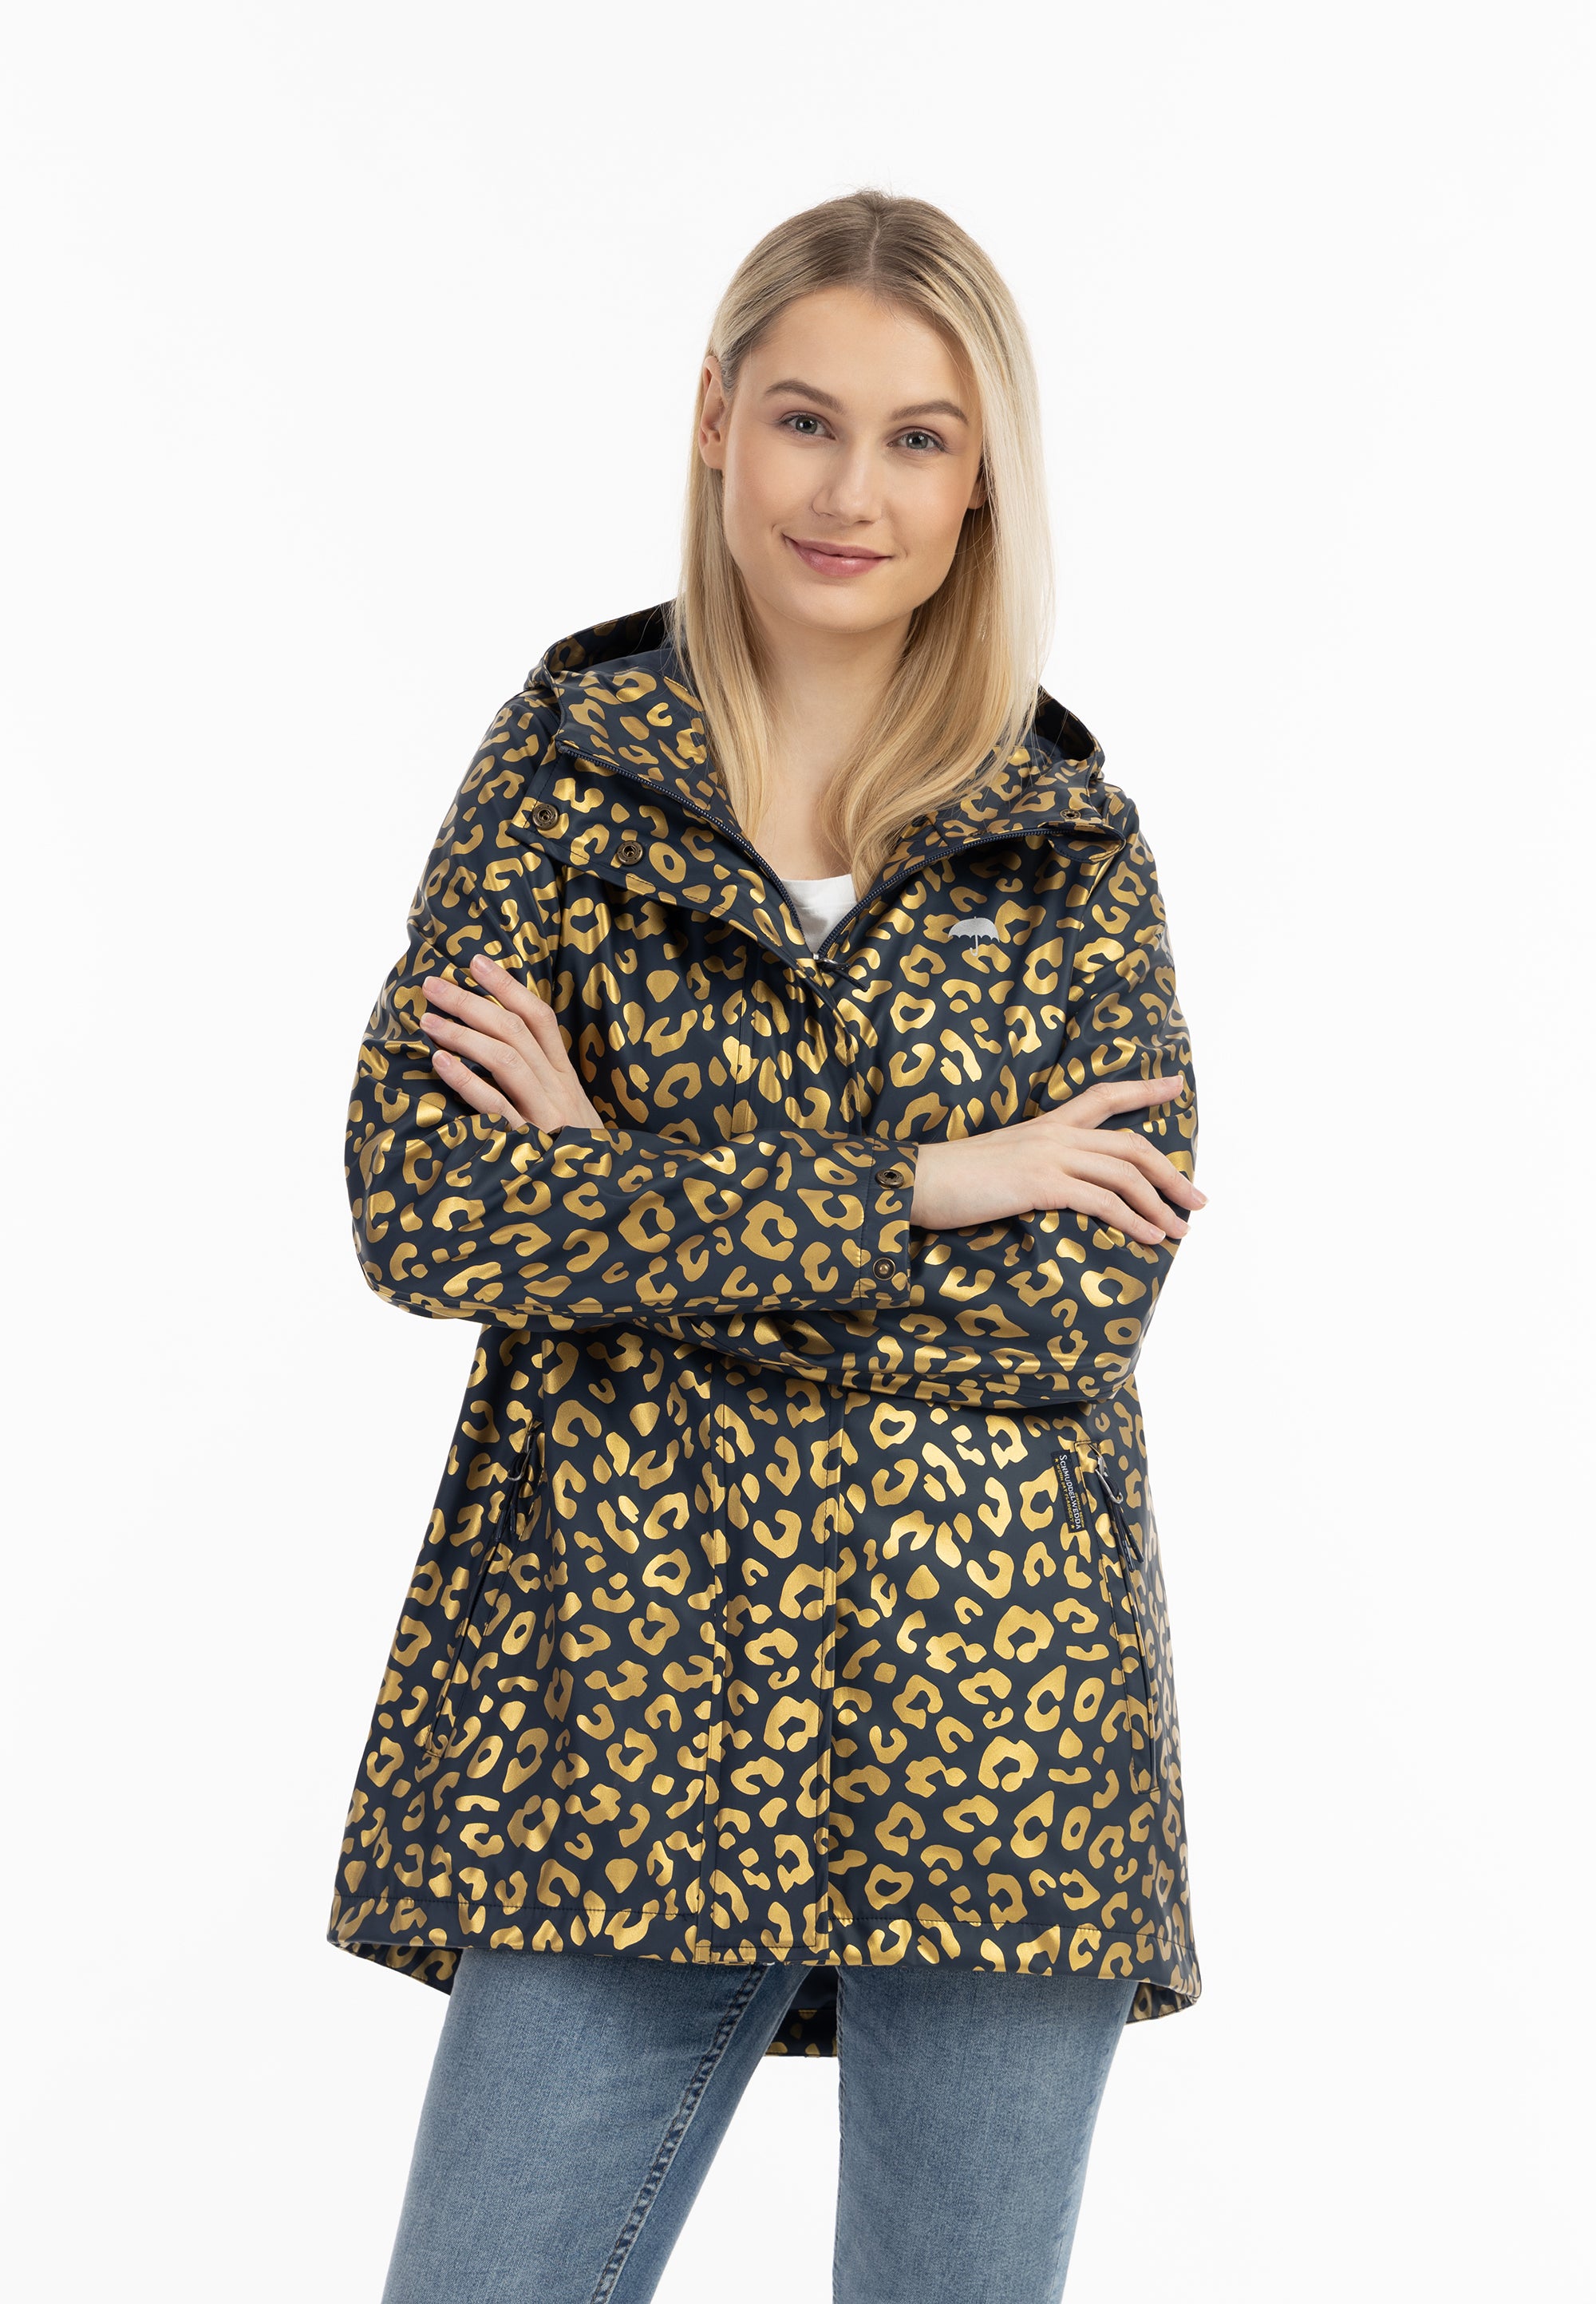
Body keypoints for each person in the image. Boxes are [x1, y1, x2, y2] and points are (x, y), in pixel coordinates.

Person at [331, 187, 1207, 2304]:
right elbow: (422, 1209)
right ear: (718, 418)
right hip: (623, 1701)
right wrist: (928, 1181)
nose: (851, 492)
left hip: (998, 1713)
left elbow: (1066, 1316)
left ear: (982, 479)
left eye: (919, 438)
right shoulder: (566, 780)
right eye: (808, 420)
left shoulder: (1066, 840)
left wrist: (614, 1192)